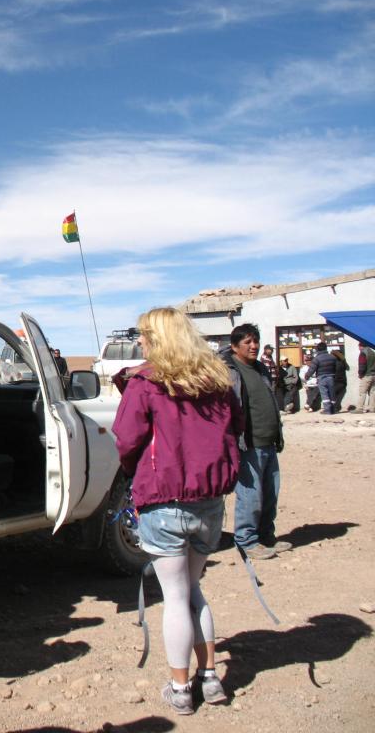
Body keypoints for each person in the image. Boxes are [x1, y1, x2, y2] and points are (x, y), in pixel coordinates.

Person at [111, 307, 243, 716]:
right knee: (194, 591)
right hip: (209, 502)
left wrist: (137, 472)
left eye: (144, 336)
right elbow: (235, 429)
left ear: (156, 338)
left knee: (175, 597)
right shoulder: (218, 380)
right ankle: (210, 678)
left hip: (164, 502)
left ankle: (180, 687)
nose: (141, 342)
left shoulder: (147, 382)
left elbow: (126, 438)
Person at [221, 324, 289, 561]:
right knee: (251, 495)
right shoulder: (227, 369)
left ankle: (265, 536)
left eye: (256, 341)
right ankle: (247, 541)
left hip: (268, 441)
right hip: (246, 443)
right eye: (248, 342)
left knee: (271, 492)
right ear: (234, 346)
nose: (254, 346)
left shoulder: (260, 368)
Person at [303, 341, 338, 415]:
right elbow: (336, 368)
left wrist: (307, 376)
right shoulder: (332, 357)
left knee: (324, 394)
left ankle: (327, 410)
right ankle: (333, 409)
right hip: (331, 377)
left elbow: (312, 369)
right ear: (326, 348)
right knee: (332, 394)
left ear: (318, 349)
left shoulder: (317, 359)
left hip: (321, 378)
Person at [357, 342, 375, 413]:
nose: (358, 348)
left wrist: (360, 374)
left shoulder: (363, 353)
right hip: (374, 375)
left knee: (362, 392)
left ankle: (360, 408)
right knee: (372, 392)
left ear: (361, 346)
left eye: (358, 347)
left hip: (367, 375)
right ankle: (372, 408)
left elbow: (362, 365)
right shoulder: (373, 352)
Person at [330, 349, 349, 413]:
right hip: (342, 381)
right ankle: (337, 407)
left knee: (335, 396)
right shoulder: (342, 361)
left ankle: (335, 408)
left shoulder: (333, 362)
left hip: (336, 381)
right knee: (339, 396)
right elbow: (348, 368)